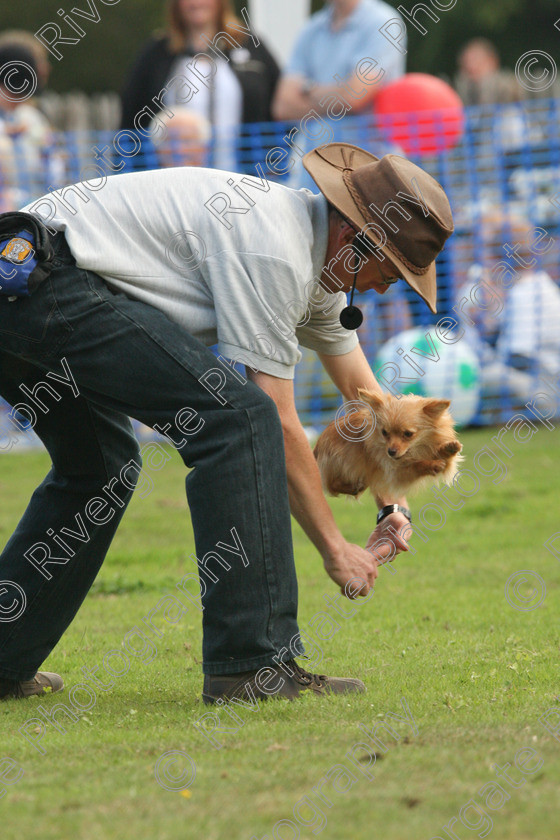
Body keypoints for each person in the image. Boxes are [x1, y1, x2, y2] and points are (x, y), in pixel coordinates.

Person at [0, 142, 454, 703]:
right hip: (40, 280)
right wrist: (336, 548)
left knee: (100, 468)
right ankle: (251, 667)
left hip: (22, 280)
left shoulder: (323, 263)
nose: (389, 288)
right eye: (392, 271)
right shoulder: (277, 251)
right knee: (238, 422)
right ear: (354, 240)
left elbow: (377, 407)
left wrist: (393, 504)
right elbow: (280, 425)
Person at [120, 0, 280, 171]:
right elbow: (130, 117)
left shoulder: (250, 45)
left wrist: (274, 165)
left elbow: (280, 106)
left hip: (243, 177)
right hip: (173, 181)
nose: (196, 3)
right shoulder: (157, 52)